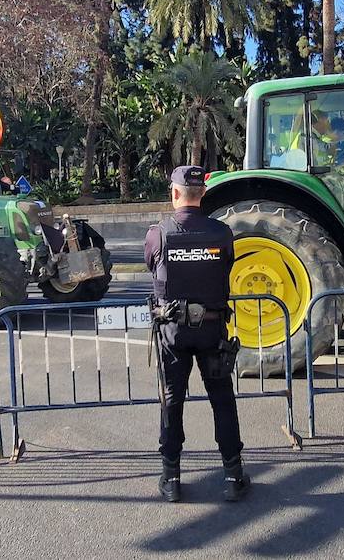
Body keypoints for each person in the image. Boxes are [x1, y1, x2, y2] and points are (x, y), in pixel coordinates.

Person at [144, 165, 248, 503]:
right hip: (213, 331)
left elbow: (151, 266)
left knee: (172, 402)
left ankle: (170, 478)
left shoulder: (158, 233)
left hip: (173, 332)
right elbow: (227, 266)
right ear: (202, 193)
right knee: (222, 400)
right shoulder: (222, 233)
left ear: (175, 194)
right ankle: (233, 475)